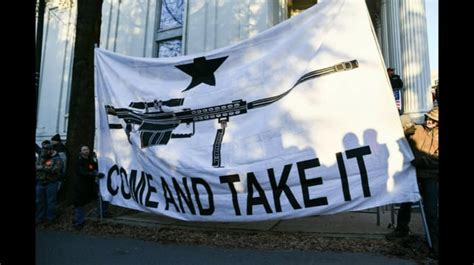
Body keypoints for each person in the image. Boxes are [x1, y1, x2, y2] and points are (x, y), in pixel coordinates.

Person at [386, 106, 439, 256]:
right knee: (405, 202)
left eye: (433, 120)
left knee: (431, 209)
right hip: (412, 173)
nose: (429, 121)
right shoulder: (417, 129)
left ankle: (435, 242)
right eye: (428, 118)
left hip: (430, 176)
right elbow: (398, 132)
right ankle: (401, 230)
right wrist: (404, 129)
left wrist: (421, 161)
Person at [72, 145, 100, 229]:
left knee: (94, 200)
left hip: (90, 186)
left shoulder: (90, 160)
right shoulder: (79, 162)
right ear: (80, 152)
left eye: (87, 149)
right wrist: (94, 174)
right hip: (80, 186)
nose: (86, 151)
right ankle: (79, 222)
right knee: (79, 204)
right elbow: (82, 172)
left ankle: (92, 217)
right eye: (84, 150)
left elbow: (96, 167)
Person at [36, 144, 64, 224]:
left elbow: (55, 169)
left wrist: (41, 168)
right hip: (40, 182)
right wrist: (44, 168)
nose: (44, 152)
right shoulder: (41, 157)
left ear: (51, 150)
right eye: (44, 150)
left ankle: (51, 218)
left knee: (51, 202)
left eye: (46, 150)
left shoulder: (57, 158)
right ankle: (41, 217)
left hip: (51, 183)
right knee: (39, 201)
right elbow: (36, 166)